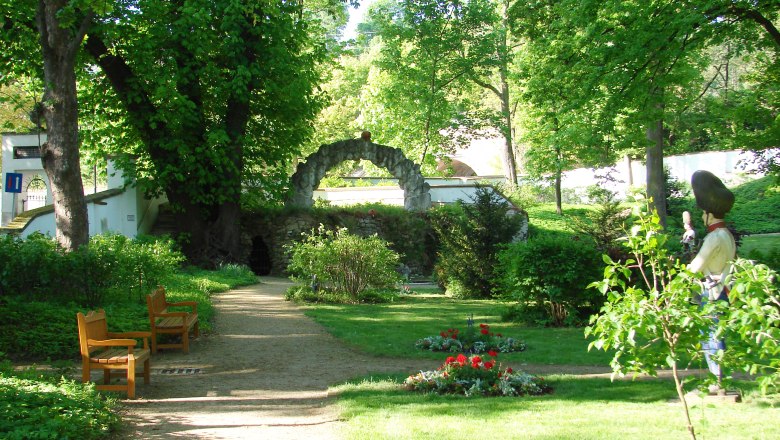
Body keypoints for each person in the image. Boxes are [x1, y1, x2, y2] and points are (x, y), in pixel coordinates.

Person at [687, 170, 736, 393]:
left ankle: (717, 381)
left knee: (711, 336)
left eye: (703, 213)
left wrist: (682, 272)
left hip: (712, 292)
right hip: (722, 289)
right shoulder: (727, 235)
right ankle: (718, 380)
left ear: (708, 214)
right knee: (716, 334)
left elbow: (697, 265)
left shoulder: (714, 237)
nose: (701, 217)